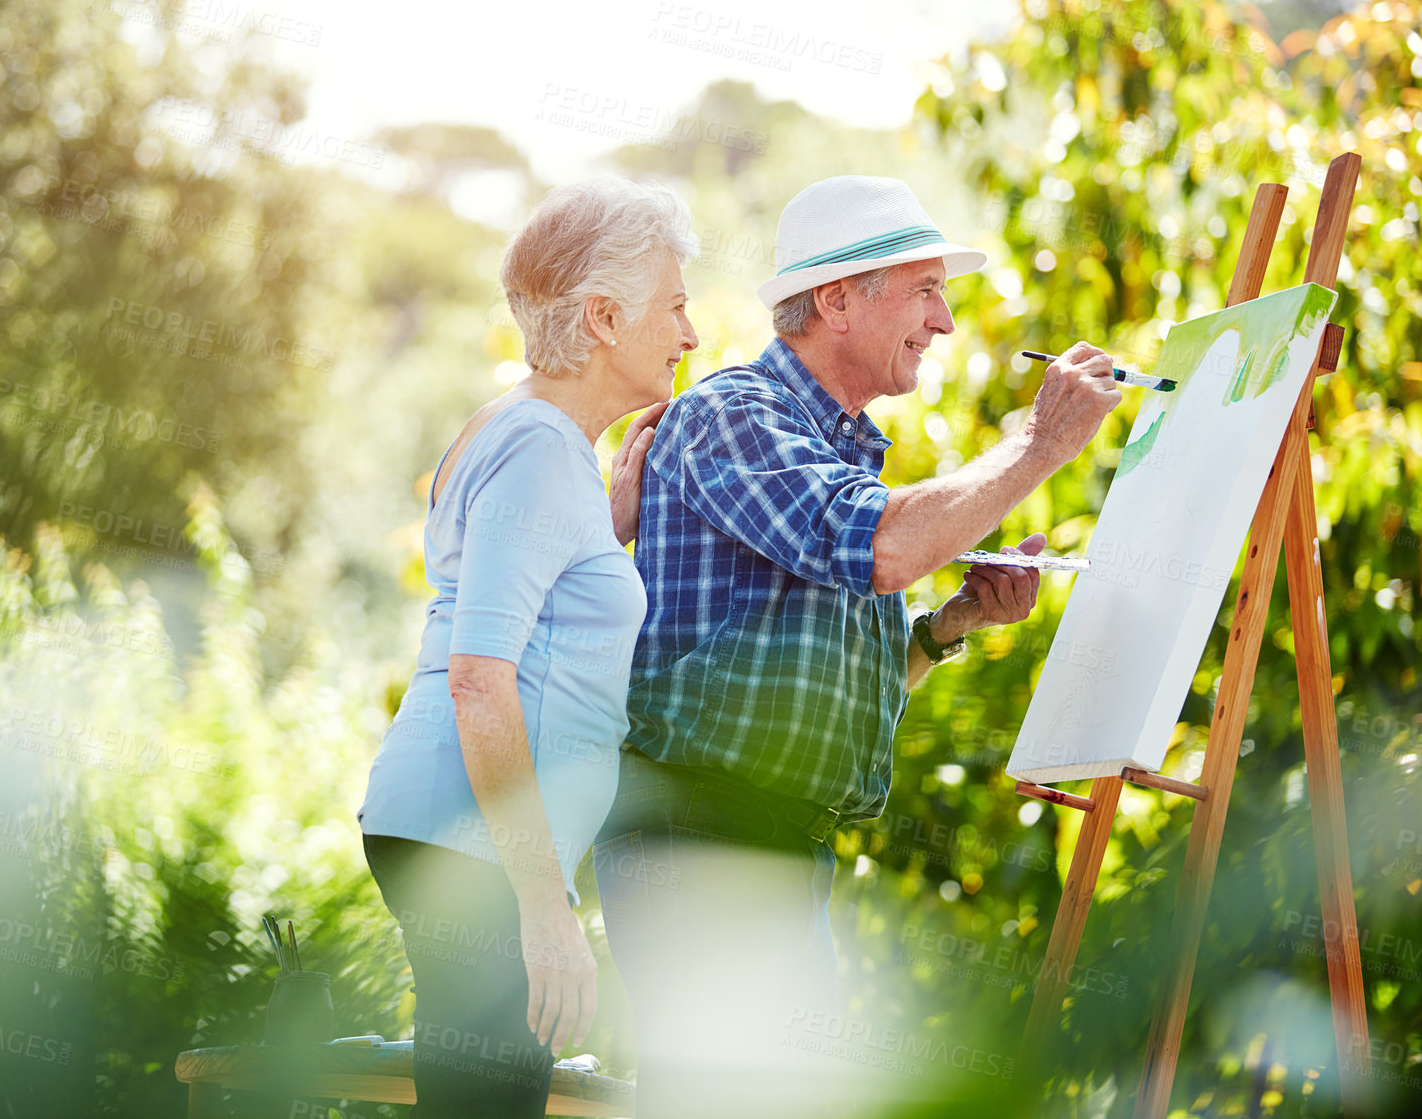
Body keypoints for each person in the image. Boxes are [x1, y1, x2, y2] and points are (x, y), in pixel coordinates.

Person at [592, 175, 1123, 1118]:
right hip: (701, 836)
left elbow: (840, 679)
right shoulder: (733, 416)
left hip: (770, 842)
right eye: (925, 290)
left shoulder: (838, 459)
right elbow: (877, 548)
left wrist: (948, 629)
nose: (946, 322)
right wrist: (1040, 443)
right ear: (835, 298)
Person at [357, 177, 700, 1118]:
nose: (690, 334)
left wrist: (607, 521)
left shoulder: (532, 444)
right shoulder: (541, 451)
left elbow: (535, 601)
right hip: (471, 848)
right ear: (602, 316)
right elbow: (479, 680)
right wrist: (545, 907)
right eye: (674, 305)